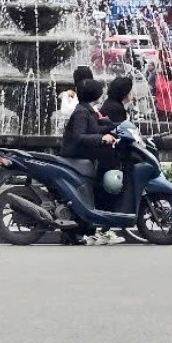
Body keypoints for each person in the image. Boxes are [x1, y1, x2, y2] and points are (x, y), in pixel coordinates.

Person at [59, 79, 122, 246]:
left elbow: (93, 128)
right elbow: (80, 136)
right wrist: (101, 137)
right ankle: (84, 229)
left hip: (85, 157)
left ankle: (92, 228)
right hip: (76, 158)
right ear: (95, 94)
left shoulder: (87, 110)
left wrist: (117, 127)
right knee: (88, 192)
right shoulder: (81, 112)